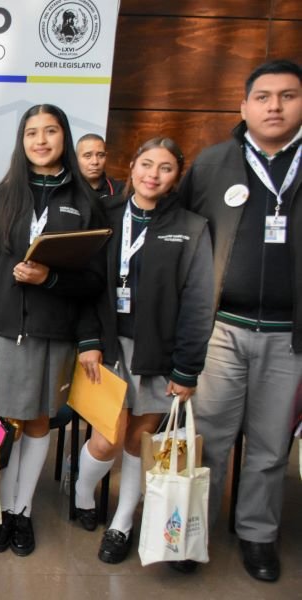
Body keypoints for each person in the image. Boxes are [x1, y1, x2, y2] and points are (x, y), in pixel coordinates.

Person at [177, 58, 302, 582]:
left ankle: (257, 534)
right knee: (210, 438)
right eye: (264, 96)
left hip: (289, 336)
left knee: (273, 446)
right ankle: (191, 533)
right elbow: (180, 237)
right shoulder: (212, 164)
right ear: (244, 106)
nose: (275, 105)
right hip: (221, 329)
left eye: (288, 95)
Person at [0, 104, 104, 557]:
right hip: (6, 333)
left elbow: (93, 281)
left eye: (49, 131)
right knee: (8, 424)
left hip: (56, 333)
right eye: (31, 133)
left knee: (40, 420)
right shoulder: (1, 197)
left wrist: (51, 281)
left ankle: (21, 511)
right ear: (21, 141)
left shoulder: (86, 202)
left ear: (64, 136)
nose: (41, 140)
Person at [73, 137, 214, 564]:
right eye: (146, 164)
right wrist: (88, 340)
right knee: (106, 440)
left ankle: (121, 523)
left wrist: (187, 369)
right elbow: (84, 283)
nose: (153, 174)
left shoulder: (191, 227)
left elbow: (199, 300)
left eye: (165, 168)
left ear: (176, 177)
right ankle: (82, 492)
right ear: (132, 166)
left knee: (139, 441)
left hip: (159, 350)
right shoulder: (104, 214)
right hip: (107, 346)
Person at [76, 134, 124, 201]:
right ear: (75, 158)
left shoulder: (120, 190)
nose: (95, 162)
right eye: (88, 156)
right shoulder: (66, 187)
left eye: (101, 155)